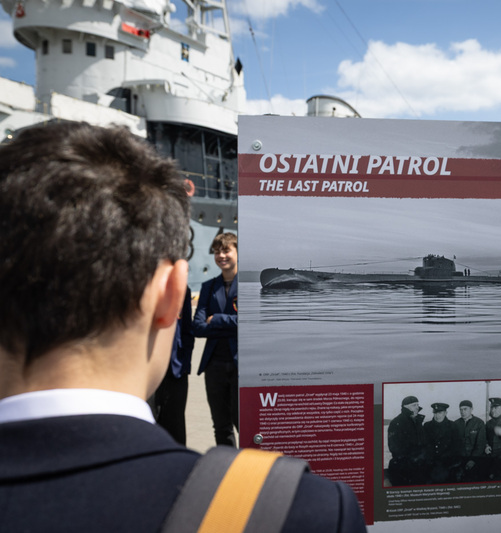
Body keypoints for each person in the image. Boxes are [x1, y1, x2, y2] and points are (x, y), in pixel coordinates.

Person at [0, 122, 365, 532]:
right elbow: (205, 325)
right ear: (172, 293)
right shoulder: (309, 513)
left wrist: (215, 322)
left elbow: (215, 324)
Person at [193, 233, 239, 446]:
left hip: (241, 365)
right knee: (221, 426)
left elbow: (250, 323)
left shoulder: (248, 286)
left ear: (238, 252)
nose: (221, 256)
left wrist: (217, 320)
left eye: (226, 250)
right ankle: (226, 463)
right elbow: (198, 327)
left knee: (243, 423)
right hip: (215, 365)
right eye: (217, 251)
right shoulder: (209, 287)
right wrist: (233, 326)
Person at [153, 286, 194, 444]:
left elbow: (187, 330)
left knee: (176, 425)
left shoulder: (183, 290)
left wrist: (184, 363)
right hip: (149, 371)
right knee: (149, 423)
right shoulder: (142, 286)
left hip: (176, 370)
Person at [387, 395, 428, 486]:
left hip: (420, 467)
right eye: (414, 405)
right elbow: (394, 447)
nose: (417, 407)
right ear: (405, 407)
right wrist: (413, 460)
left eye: (417, 405)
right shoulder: (396, 423)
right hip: (403, 470)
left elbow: (423, 443)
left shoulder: (418, 422)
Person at [423, 402, 461, 483]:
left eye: (440, 413)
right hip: (431, 466)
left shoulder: (453, 426)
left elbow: (457, 446)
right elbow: (425, 446)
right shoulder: (427, 426)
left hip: (448, 465)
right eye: (435, 413)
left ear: (445, 413)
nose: (437, 416)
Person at [454, 399, 487, 481]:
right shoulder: (456, 424)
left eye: (465, 409)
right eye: (461, 409)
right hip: (460, 461)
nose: (462, 412)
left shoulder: (479, 423)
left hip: (475, 460)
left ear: (471, 409)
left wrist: (473, 460)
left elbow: (480, 444)